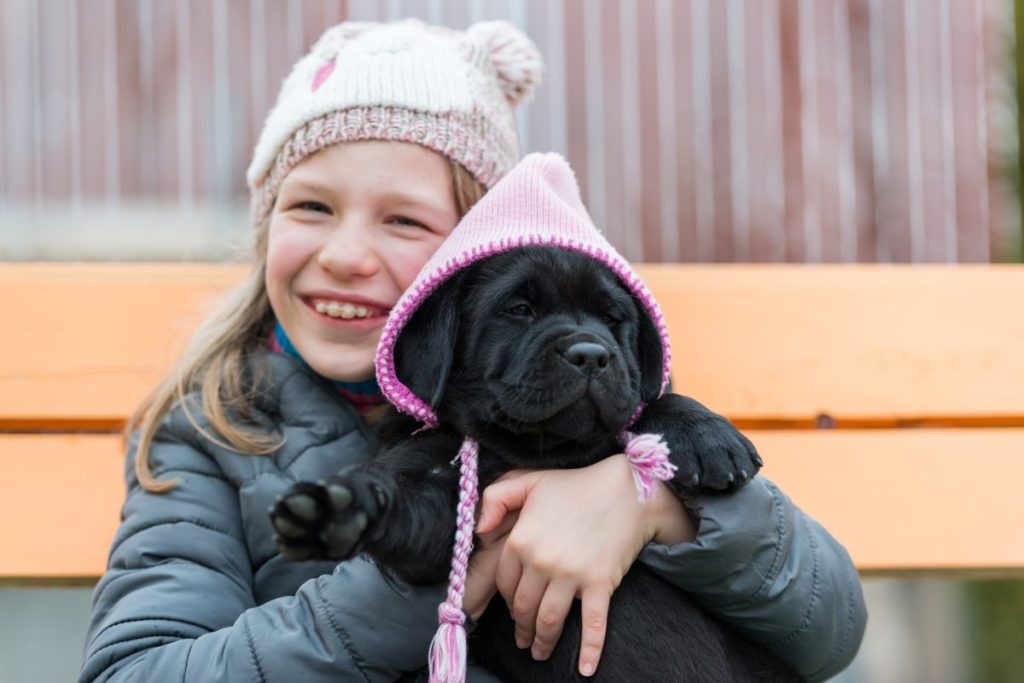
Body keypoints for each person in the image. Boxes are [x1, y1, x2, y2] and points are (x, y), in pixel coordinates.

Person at [80, 18, 866, 683]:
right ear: (266, 225)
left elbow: (830, 622)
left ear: (477, 256)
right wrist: (438, 582)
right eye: (312, 206)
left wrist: (652, 502)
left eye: (404, 222)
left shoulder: (616, 424)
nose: (348, 255)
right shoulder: (212, 435)